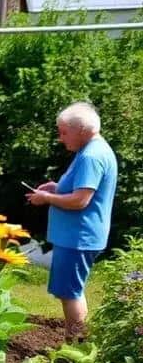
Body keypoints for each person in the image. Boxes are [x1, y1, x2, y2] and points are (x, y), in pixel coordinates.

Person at [26, 101, 117, 339]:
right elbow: (83, 190)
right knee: (73, 290)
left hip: (79, 236)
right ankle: (78, 341)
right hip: (80, 235)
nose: (61, 137)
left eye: (64, 132)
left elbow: (80, 200)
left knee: (70, 292)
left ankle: (75, 345)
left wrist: (46, 197)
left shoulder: (91, 156)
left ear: (82, 130)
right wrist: (57, 187)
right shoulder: (93, 150)